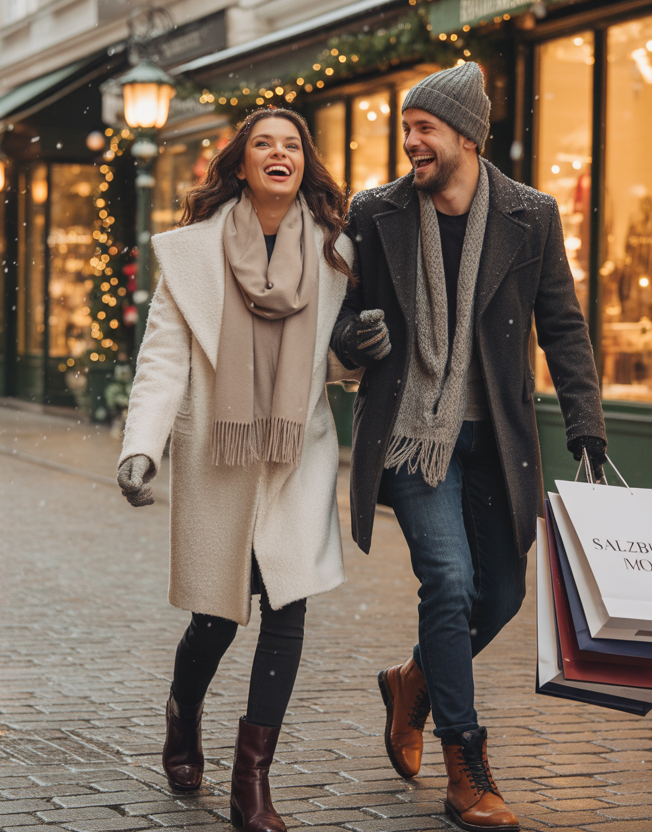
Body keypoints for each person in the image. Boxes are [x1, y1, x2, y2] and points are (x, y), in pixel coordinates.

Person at [330, 62, 607, 832]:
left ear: (466, 137)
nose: (409, 140)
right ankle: (467, 766)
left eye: (424, 128)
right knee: (448, 582)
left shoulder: (531, 215)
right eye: (407, 127)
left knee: (504, 595)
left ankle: (412, 682)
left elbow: (564, 325)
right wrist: (355, 334)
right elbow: (338, 315)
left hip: (496, 438)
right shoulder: (375, 212)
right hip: (414, 436)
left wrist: (586, 423)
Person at [116, 108, 355, 832]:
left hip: (294, 453)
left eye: (291, 145)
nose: (278, 154)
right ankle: (183, 711)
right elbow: (162, 359)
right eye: (263, 145)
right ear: (243, 164)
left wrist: (361, 348)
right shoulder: (193, 255)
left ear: (303, 164)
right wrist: (141, 446)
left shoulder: (339, 252)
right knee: (217, 617)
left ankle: (253, 780)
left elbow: (339, 364)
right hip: (218, 453)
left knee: (288, 607)